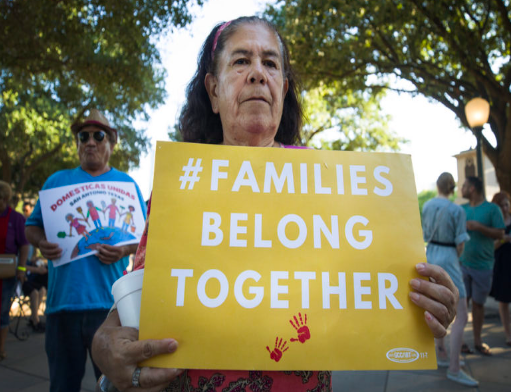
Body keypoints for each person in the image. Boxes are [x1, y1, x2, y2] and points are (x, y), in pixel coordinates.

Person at [91, 17, 459, 392]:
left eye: (270, 62)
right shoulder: (180, 183)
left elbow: (372, 286)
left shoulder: (335, 186)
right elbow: (138, 296)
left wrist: (423, 305)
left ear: (283, 88)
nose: (257, 73)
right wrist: (103, 341)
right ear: (213, 90)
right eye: (240, 61)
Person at [25, 109, 147, 392]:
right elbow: (31, 228)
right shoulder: (55, 182)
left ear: (111, 143)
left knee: (111, 385)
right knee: (62, 385)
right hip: (61, 306)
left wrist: (123, 250)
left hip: (110, 308)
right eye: (83, 136)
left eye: (98, 135)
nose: (90, 142)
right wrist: (41, 242)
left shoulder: (128, 185)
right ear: (78, 143)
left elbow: (143, 240)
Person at [422, 173, 476, 386]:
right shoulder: (457, 210)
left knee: (435, 306)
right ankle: (455, 367)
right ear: (452, 187)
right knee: (461, 314)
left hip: (430, 255)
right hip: (449, 259)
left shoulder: (427, 206)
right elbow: (460, 243)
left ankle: (441, 353)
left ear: (438, 185)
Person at [459, 176, 505, 356]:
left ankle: (478, 341)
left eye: (463, 186)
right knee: (462, 304)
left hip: (483, 265)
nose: (460, 188)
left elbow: (500, 233)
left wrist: (479, 227)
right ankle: (460, 341)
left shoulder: (492, 209)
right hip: (463, 264)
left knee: (478, 305)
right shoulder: (461, 209)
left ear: (471, 188)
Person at [0, 181, 29, 365]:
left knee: (2, 312)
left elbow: (24, 245)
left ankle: (0, 349)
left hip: (5, 274)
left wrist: (21, 270)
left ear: (5, 199)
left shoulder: (15, 218)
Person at [22, 201, 48, 332]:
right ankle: (35, 321)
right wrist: (36, 269)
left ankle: (35, 317)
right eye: (25, 211)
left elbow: (30, 259)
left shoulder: (30, 243)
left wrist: (37, 260)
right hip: (23, 278)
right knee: (35, 292)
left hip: (30, 274)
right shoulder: (22, 242)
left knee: (42, 290)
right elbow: (21, 266)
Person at [489, 191, 511, 346]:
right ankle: (508, 333)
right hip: (502, 264)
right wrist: (503, 240)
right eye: (501, 205)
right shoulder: (494, 225)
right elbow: (490, 247)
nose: (504, 208)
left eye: (506, 204)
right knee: (503, 300)